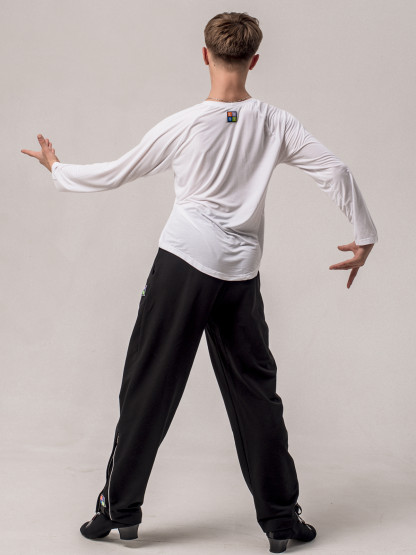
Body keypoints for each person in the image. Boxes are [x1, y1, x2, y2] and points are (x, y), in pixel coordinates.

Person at [21, 11, 378, 553]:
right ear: (254, 60)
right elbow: (337, 171)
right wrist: (364, 236)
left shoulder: (185, 123)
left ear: (205, 55)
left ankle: (120, 512)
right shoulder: (276, 123)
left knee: (148, 383)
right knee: (257, 395)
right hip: (240, 275)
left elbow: (118, 171)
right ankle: (281, 521)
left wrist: (57, 169)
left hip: (182, 265)